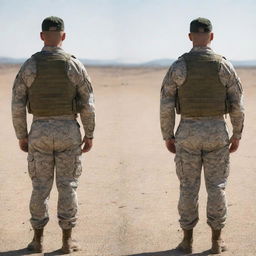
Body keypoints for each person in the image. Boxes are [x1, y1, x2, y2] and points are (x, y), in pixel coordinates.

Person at [160, 17, 244, 254]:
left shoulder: (179, 66)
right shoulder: (223, 66)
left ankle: (187, 241)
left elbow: (166, 103)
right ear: (212, 36)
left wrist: (167, 134)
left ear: (190, 37)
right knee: (216, 186)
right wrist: (237, 133)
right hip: (217, 131)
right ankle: (217, 242)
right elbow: (237, 103)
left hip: (187, 133)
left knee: (188, 187)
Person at [12, 16, 95, 254]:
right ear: (63, 36)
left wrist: (22, 135)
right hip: (68, 130)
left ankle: (37, 241)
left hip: (39, 131)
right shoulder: (73, 65)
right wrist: (89, 133)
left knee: (40, 186)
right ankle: (67, 242)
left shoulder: (30, 65)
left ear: (41, 36)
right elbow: (88, 103)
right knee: (68, 186)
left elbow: (17, 103)